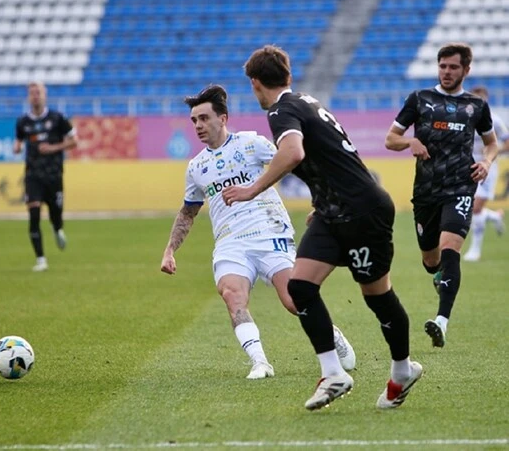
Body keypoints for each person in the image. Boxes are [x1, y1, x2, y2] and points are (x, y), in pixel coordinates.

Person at [223, 45, 421, 410]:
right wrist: (322, 201)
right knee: (300, 286)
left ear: (254, 83)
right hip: (334, 210)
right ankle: (333, 373)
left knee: (377, 296)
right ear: (287, 75)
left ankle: (402, 369)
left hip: (362, 211)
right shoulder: (307, 102)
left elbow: (295, 153)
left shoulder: (283, 109)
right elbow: (330, 157)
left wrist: (252, 189)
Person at [160, 85, 356, 381]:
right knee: (232, 295)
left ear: (223, 118)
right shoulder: (196, 167)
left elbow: (297, 163)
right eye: (194, 121)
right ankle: (260, 362)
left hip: (269, 233)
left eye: (204, 118)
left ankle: (333, 335)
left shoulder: (251, 143)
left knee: (294, 301)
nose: (198, 126)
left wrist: (321, 200)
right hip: (230, 243)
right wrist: (170, 250)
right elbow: (188, 211)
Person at [385, 43, 499, 348]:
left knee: (451, 251)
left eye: (453, 67)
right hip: (425, 192)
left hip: (461, 187)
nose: (447, 72)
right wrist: (410, 143)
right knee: (431, 261)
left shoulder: (476, 106)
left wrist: (487, 162)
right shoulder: (420, 99)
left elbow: (492, 143)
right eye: (443, 66)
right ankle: (439, 277)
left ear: (466, 70)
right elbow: (390, 139)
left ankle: (441, 321)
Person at [13, 82, 77, 272]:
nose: (36, 96)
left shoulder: (57, 118)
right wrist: (16, 147)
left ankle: (57, 229)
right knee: (34, 215)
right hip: (33, 176)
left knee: (56, 215)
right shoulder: (23, 122)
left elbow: (74, 141)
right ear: (29, 96)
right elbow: (18, 141)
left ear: (45, 95)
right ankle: (41, 259)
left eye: (38, 92)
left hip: (54, 175)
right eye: (32, 93)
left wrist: (53, 148)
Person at [463, 86, 507, 262]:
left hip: (487, 167)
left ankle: (475, 249)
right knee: (470, 207)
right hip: (466, 166)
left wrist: (490, 153)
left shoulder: (494, 120)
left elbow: (507, 142)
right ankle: (494, 216)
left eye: (482, 99)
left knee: (476, 207)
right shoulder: (465, 119)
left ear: (486, 100)